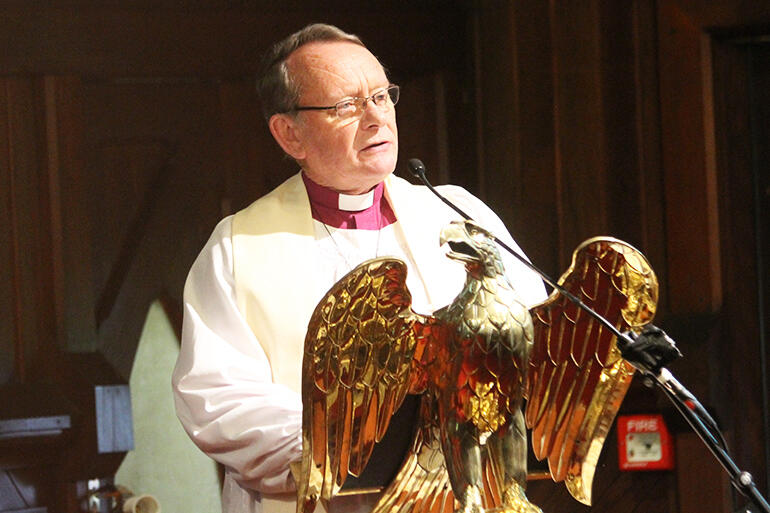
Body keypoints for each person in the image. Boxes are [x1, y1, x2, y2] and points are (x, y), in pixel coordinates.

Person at [172, 23, 546, 513]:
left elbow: (530, 334)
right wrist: (344, 447)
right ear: (289, 133)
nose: (376, 119)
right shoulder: (239, 246)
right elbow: (218, 398)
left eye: (381, 96)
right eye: (346, 106)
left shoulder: (458, 215)